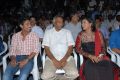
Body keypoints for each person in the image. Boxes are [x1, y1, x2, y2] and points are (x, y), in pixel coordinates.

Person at [41, 15, 79, 80]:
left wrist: (64, 60)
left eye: (61, 22)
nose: (60, 24)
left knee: (74, 74)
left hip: (67, 59)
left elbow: (70, 48)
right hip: (51, 59)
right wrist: (55, 61)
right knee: (45, 76)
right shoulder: (48, 33)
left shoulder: (67, 32)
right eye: (58, 22)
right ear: (54, 23)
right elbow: (46, 48)